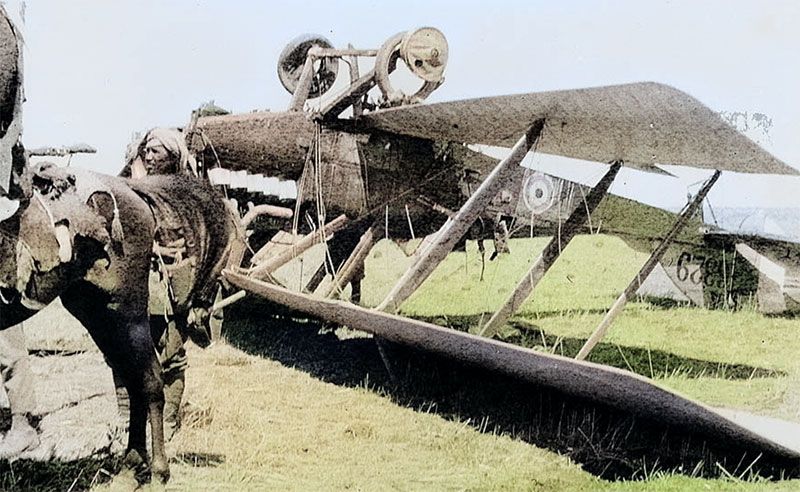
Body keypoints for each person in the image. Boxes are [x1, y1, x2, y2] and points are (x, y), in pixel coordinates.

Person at [120, 127, 211, 440]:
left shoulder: (187, 192)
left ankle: (169, 421)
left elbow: (200, 242)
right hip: (138, 282)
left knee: (169, 354)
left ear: (172, 156)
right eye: (147, 150)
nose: (149, 155)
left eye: (155, 151)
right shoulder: (137, 185)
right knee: (125, 352)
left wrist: (198, 295)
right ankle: (126, 421)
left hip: (174, 283)